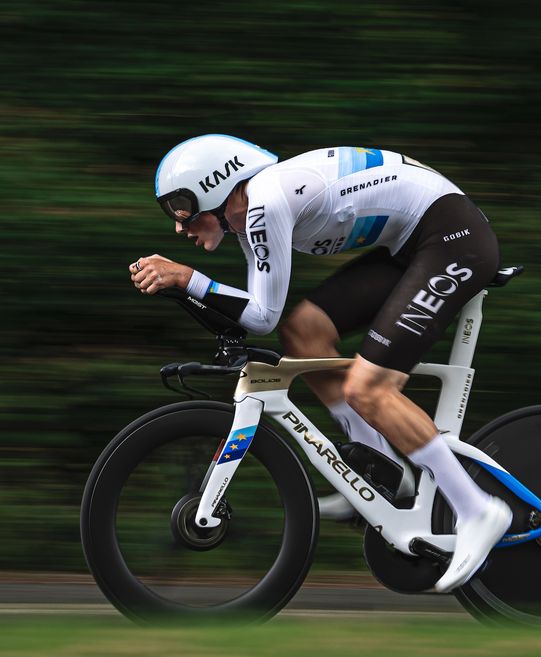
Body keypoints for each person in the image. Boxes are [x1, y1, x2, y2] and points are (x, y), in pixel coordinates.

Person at [132, 134, 511, 593]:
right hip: (414, 245)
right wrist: (189, 283)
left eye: (182, 209)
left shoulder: (265, 203)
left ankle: (477, 510)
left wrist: (185, 277)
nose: (179, 226)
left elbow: (258, 317)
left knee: (368, 389)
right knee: (304, 332)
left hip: (452, 241)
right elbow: (270, 319)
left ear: (214, 186)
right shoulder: (259, 206)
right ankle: (378, 466)